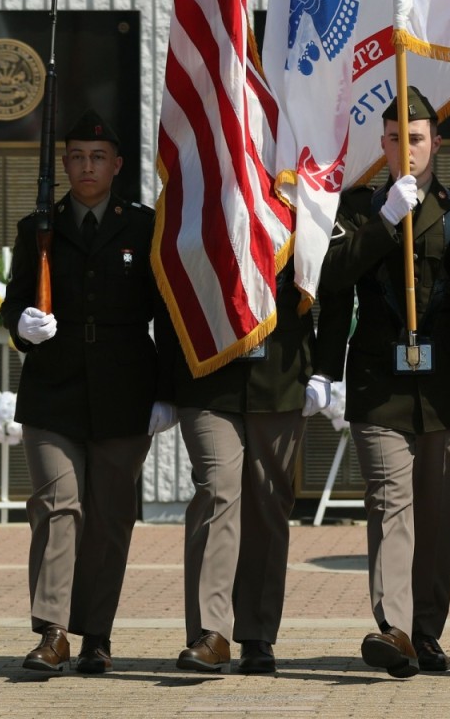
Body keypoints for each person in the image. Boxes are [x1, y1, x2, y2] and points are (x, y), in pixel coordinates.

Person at [315, 86, 450, 678]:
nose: (405, 149)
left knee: (438, 516)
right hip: (378, 384)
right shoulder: (358, 209)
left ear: (435, 142)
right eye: (393, 139)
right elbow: (332, 281)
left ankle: (426, 631)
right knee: (391, 504)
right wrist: (385, 222)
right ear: (382, 145)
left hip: (444, 387)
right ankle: (393, 627)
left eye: (415, 138)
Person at [1, 109, 175, 674]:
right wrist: (22, 328)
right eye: (76, 157)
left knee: (110, 515)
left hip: (126, 385)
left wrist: (167, 391)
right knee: (57, 505)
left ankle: (96, 632)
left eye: (98, 157)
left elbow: (167, 315)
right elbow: (15, 301)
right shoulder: (39, 228)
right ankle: (52, 631)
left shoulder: (144, 226)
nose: (86, 167)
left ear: (118, 165)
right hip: (54, 387)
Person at [166, 261, 323, 675]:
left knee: (268, 506)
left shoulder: (298, 198)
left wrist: (326, 371)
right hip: (207, 371)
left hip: (280, 375)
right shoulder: (192, 193)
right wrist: (162, 385)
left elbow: (334, 277)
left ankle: (257, 634)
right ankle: (210, 633)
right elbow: (169, 285)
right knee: (217, 491)